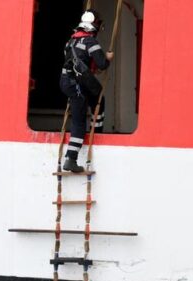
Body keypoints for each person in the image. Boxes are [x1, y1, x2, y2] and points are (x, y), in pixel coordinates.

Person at [59, 10, 115, 173]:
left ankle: (94, 131)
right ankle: (71, 158)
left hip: (67, 81)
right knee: (79, 120)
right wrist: (108, 58)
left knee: (96, 96)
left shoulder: (70, 41)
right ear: (94, 26)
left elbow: (74, 61)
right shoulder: (91, 42)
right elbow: (102, 64)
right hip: (77, 84)